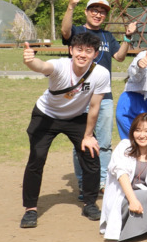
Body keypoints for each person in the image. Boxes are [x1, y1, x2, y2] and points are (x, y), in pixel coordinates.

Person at [19, 34, 112, 228]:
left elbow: (94, 106)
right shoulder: (60, 65)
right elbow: (43, 66)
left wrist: (88, 136)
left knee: (91, 155)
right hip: (46, 115)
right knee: (37, 158)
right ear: (71, 50)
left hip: (76, 117)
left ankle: (89, 203)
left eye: (88, 51)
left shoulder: (101, 74)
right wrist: (30, 62)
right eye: (79, 49)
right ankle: (30, 209)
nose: (82, 54)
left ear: (95, 54)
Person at [61, 0, 138, 195]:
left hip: (104, 97)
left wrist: (128, 37)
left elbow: (119, 57)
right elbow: (65, 31)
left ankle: (102, 182)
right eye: (94, 10)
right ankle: (83, 183)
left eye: (102, 12)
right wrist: (70, 6)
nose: (98, 14)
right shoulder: (77, 31)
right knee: (80, 143)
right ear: (86, 12)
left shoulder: (107, 36)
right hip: (79, 96)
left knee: (104, 143)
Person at [99, 113, 147, 241]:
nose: (142, 135)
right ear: (132, 132)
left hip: (143, 199)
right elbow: (121, 174)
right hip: (124, 198)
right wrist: (133, 200)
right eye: (138, 130)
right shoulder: (124, 146)